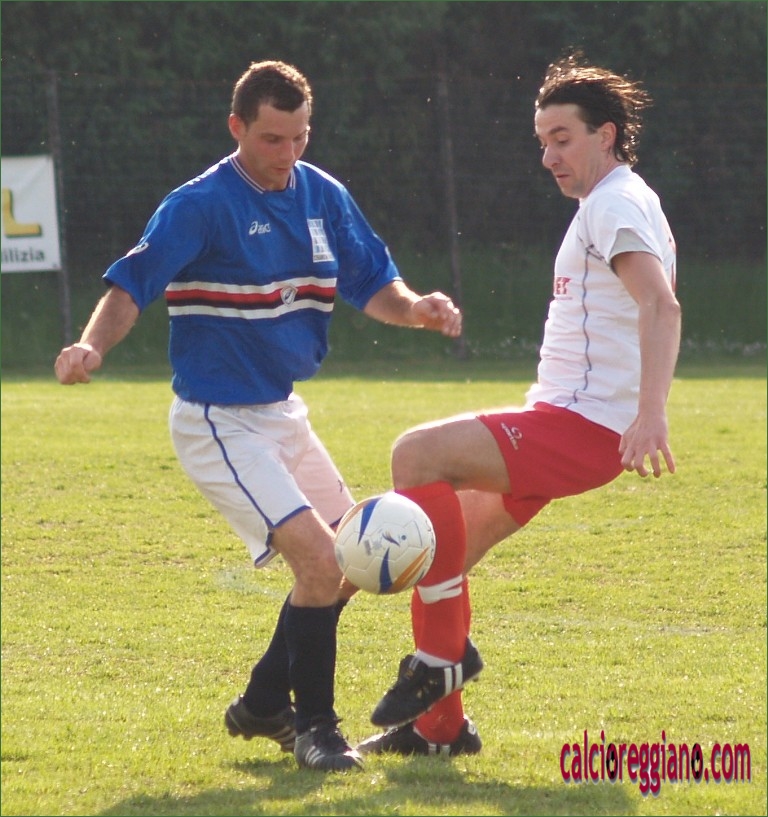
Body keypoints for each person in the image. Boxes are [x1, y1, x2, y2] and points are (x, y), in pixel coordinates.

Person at [54, 60, 461, 772]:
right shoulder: (199, 205)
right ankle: (316, 730)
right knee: (320, 560)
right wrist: (91, 345)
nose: (288, 152)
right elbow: (131, 285)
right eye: (273, 138)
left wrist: (416, 308)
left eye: (300, 136)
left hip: (283, 413)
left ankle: (266, 700)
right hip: (218, 421)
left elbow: (373, 282)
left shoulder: (322, 195)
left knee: (345, 567)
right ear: (237, 127)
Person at [356, 52, 681, 758]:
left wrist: (651, 411)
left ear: (606, 134)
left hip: (581, 427)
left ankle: (441, 662)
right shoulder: (613, 202)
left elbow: (661, 304)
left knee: (416, 454)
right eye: (542, 141)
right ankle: (442, 729)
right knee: (443, 555)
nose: (548, 156)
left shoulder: (615, 203)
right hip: (566, 420)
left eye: (562, 138)